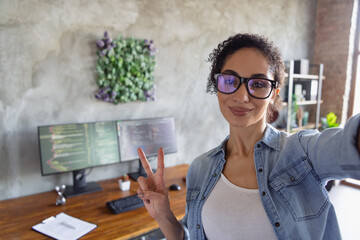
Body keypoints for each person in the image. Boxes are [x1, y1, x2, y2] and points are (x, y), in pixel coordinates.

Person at [136, 33, 360, 240]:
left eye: (259, 84)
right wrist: (164, 215)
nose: (242, 96)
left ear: (274, 94)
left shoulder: (302, 153)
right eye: (230, 81)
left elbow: (345, 147)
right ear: (217, 86)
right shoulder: (200, 168)